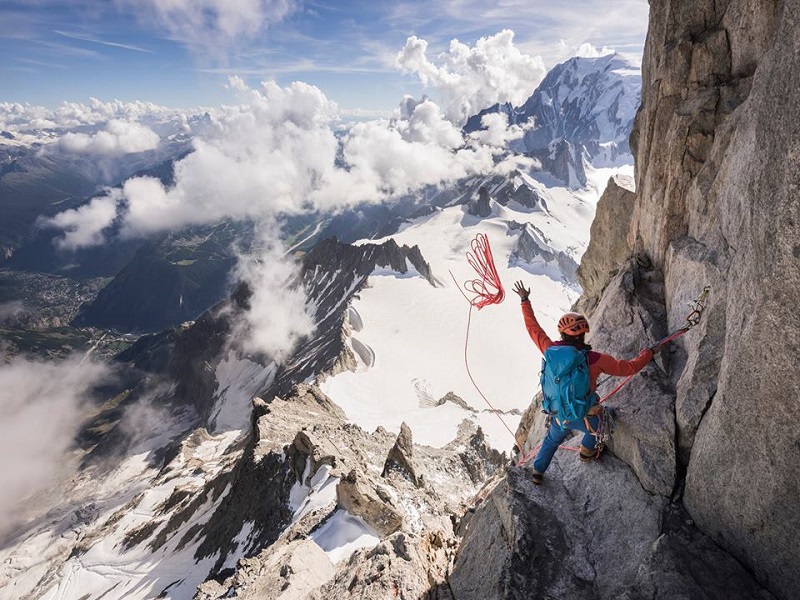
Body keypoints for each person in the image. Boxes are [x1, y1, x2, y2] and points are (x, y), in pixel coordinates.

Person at [512, 280, 655, 484]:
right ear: (583, 334)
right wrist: (648, 354)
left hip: (558, 414)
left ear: (562, 334)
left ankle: (537, 471)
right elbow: (629, 368)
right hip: (584, 415)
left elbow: (533, 329)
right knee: (606, 421)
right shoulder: (594, 359)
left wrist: (525, 300)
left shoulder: (549, 350)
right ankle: (586, 453)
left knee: (552, 439)